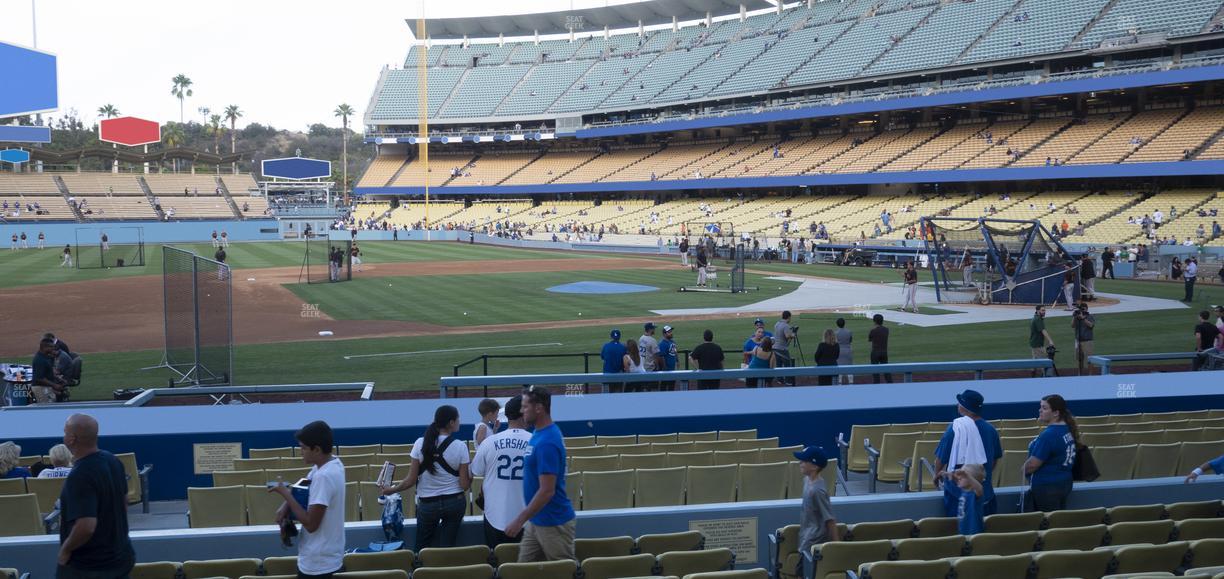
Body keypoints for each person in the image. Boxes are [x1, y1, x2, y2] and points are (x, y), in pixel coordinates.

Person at [57, 414, 136, 579]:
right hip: (120, 558)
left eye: (65, 433)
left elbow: (86, 526)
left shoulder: (79, 475)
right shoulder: (113, 461)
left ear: (71, 439)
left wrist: (66, 550)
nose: (63, 436)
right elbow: (124, 502)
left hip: (89, 567)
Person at [384, 405, 470, 550]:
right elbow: (464, 485)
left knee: (422, 547)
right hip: (454, 502)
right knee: (447, 547)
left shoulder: (419, 444)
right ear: (451, 423)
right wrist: (471, 475)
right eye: (458, 419)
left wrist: (391, 490)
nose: (459, 421)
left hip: (428, 504)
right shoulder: (461, 447)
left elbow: (410, 480)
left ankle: (420, 571)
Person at [507, 386, 576, 562]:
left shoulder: (547, 442)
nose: (521, 411)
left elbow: (547, 490)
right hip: (536, 520)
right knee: (523, 571)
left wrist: (519, 520)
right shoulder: (539, 433)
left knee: (562, 572)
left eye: (525, 407)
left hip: (553, 523)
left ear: (539, 408)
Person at [269, 420, 345, 579]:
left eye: (303, 447)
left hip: (318, 564)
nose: (300, 451)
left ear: (316, 449)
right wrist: (285, 506)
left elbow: (311, 524)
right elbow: (305, 482)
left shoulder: (323, 476)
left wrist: (285, 494)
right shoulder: (331, 463)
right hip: (327, 557)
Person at [470, 395, 530, 548]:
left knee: (497, 563)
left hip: (494, 515)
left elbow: (476, 471)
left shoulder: (489, 442)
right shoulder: (537, 441)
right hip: (527, 518)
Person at [934, 390, 1002, 517]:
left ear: (963, 407)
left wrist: (936, 475)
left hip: (959, 497)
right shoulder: (991, 430)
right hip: (986, 494)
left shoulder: (954, 429)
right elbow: (994, 461)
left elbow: (940, 459)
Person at [1024, 394, 1078, 512]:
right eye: (1040, 407)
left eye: (1044, 408)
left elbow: (1033, 464)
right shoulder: (1067, 429)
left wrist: (1024, 469)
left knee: (1048, 524)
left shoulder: (1049, 435)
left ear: (1055, 413)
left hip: (1047, 487)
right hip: (1064, 483)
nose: (1040, 410)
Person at [794, 446, 839, 557]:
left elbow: (830, 519)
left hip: (813, 542)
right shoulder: (806, 480)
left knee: (803, 573)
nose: (800, 463)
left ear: (814, 466)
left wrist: (838, 546)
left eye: (804, 461)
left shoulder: (817, 491)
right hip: (805, 537)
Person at [952, 464, 986, 535]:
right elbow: (956, 479)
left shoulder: (975, 494)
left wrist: (966, 475)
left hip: (974, 532)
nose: (959, 478)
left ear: (972, 480)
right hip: (963, 531)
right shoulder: (963, 491)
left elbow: (980, 488)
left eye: (963, 477)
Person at [33, 337, 68, 404]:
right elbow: (39, 378)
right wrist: (54, 385)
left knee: (52, 404)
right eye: (51, 347)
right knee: (46, 408)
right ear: (45, 347)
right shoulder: (39, 360)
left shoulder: (45, 357)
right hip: (40, 388)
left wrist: (58, 378)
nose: (53, 348)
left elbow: (48, 372)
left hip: (46, 387)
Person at [1072, 302, 1095, 376]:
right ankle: (1079, 374)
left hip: (1088, 341)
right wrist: (1075, 317)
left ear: (1087, 309)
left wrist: (1083, 319)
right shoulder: (1077, 316)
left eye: (1083, 309)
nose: (1082, 311)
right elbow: (1072, 325)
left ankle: (1090, 375)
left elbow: (1091, 325)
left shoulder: (1090, 316)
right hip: (1078, 341)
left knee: (1089, 359)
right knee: (1079, 360)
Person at [868, 314, 892, 384]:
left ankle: (876, 385)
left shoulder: (873, 331)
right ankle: (890, 384)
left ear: (874, 321)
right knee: (886, 371)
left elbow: (870, 339)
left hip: (875, 352)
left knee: (875, 372)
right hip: (884, 352)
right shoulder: (886, 330)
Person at [1029, 306, 1054, 371]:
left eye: (1044, 310)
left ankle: (1033, 374)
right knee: (1043, 362)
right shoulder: (1038, 319)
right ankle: (1045, 376)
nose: (1044, 312)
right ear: (1037, 311)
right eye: (1042, 310)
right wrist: (1050, 341)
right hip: (1037, 344)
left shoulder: (1036, 318)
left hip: (1035, 343)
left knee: (1035, 360)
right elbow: (1043, 330)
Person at [774, 311, 796, 377]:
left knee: (779, 365)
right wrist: (793, 335)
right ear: (789, 317)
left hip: (775, 348)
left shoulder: (777, 323)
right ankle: (788, 380)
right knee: (787, 365)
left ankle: (779, 380)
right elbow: (787, 336)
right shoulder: (786, 326)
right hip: (782, 349)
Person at [657, 325, 678, 390]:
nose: (671, 333)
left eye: (671, 331)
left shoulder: (673, 342)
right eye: (669, 332)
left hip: (672, 369)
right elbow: (661, 357)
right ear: (664, 334)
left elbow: (675, 351)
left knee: (671, 387)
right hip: (666, 370)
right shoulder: (662, 344)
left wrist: (677, 360)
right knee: (664, 387)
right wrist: (664, 367)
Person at [835, 318, 853, 385]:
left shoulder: (836, 333)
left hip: (839, 351)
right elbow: (850, 340)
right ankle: (851, 382)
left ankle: (839, 383)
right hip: (848, 350)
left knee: (839, 367)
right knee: (849, 367)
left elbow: (835, 342)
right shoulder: (849, 332)